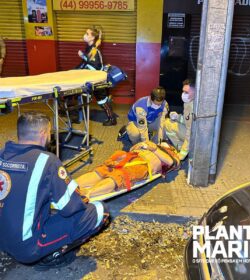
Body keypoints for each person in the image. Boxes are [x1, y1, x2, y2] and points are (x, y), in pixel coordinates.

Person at [0, 112, 109, 269]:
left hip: (2, 240)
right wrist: (81, 195)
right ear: (43, 134)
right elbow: (72, 207)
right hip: (26, 248)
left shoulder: (2, 153)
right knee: (99, 210)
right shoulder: (47, 160)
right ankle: (51, 256)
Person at [76, 140, 180, 199]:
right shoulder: (151, 144)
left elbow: (172, 163)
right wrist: (139, 146)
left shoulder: (171, 155)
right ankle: (73, 184)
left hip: (142, 165)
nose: (163, 143)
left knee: (121, 175)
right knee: (105, 169)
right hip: (130, 156)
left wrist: (155, 149)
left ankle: (88, 193)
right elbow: (131, 149)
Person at [76, 27, 117, 126]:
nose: (84, 35)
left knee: (102, 100)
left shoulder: (95, 51)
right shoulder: (89, 48)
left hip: (97, 80)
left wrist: (83, 56)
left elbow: (96, 66)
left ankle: (112, 120)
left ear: (92, 37)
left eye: (87, 34)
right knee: (83, 96)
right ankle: (81, 117)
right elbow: (86, 63)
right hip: (90, 80)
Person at [163, 79, 195, 160]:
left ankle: (184, 151)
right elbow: (187, 121)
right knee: (167, 123)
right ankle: (180, 147)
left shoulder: (194, 107)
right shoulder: (188, 103)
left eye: (187, 92)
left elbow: (190, 133)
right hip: (191, 133)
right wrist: (178, 117)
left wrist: (182, 155)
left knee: (168, 125)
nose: (184, 94)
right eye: (183, 91)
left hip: (195, 137)